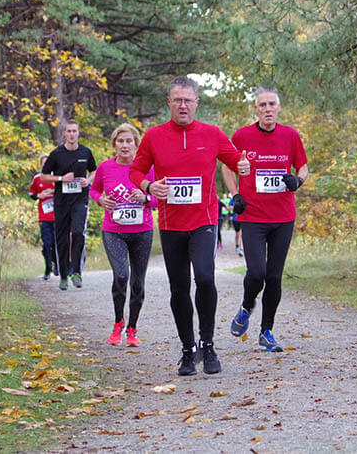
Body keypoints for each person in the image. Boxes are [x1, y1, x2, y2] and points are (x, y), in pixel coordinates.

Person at [129, 76, 251, 376]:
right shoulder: (154, 136)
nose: (183, 105)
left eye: (188, 100)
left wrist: (245, 165)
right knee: (179, 287)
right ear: (169, 103)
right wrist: (148, 186)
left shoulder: (212, 134)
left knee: (206, 279)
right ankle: (188, 349)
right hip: (171, 224)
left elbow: (236, 161)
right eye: (177, 100)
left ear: (197, 103)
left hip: (204, 221)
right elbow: (135, 171)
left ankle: (207, 344)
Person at [222, 86, 309, 352]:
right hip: (253, 217)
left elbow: (302, 166)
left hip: (283, 217)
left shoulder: (290, 135)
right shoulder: (242, 136)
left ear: (279, 108)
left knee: (274, 277)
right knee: (256, 272)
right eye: (263, 105)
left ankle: (266, 332)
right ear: (256, 109)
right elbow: (227, 165)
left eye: (272, 104)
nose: (268, 109)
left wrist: (298, 180)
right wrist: (235, 194)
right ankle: (247, 307)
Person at [90, 123, 157, 347]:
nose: (125, 145)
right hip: (114, 231)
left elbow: (159, 196)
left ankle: (132, 329)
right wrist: (100, 200)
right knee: (121, 275)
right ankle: (118, 322)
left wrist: (146, 198)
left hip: (142, 231)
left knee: (138, 283)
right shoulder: (106, 167)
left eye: (129, 141)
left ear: (137, 144)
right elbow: (94, 189)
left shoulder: (148, 168)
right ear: (114, 144)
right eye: (121, 141)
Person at [41, 121, 97, 291]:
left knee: (78, 232)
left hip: (80, 200)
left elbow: (94, 170)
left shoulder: (85, 152)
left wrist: (88, 180)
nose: (72, 134)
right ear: (64, 134)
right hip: (61, 201)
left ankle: (77, 271)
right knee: (62, 237)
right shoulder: (56, 154)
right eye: (69, 131)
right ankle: (64, 275)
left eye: (74, 131)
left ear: (78, 133)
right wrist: (60, 179)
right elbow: (44, 176)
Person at [29, 155, 58, 280]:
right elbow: (31, 193)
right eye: (44, 163)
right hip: (44, 216)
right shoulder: (37, 178)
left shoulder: (57, 177)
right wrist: (39, 195)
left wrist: (54, 193)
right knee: (47, 244)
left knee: (57, 244)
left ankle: (57, 265)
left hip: (58, 216)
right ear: (41, 165)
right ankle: (47, 269)